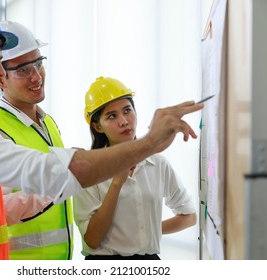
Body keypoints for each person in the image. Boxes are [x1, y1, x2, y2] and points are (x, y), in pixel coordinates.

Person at [0, 4, 203, 260]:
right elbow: (50, 173)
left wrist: (53, 189)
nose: (0, 71)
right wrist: (149, 143)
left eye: (37, 63)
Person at [73, 76, 197, 260]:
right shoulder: (88, 168)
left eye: (127, 110)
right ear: (98, 127)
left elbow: (189, 216)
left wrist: (147, 232)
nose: (124, 121)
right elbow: (92, 240)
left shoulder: (158, 163)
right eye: (112, 116)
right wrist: (117, 183)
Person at [0, 21, 74, 260]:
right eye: (23, 70)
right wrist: (62, 180)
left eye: (38, 63)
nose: (37, 77)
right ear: (0, 79)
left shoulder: (49, 122)